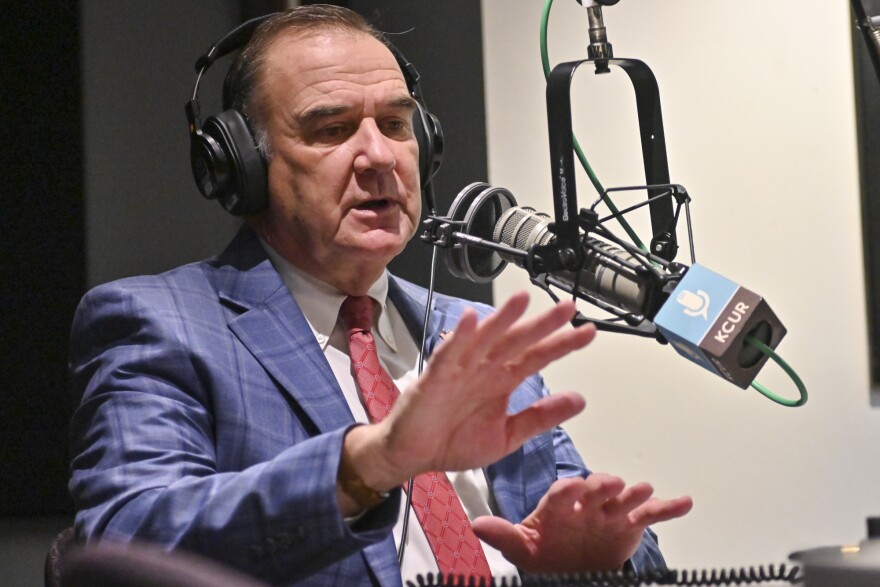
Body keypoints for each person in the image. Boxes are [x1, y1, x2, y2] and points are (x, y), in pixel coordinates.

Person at [68, 5, 692, 586]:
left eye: (396, 125)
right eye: (332, 129)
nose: (379, 157)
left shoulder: (471, 335)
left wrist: (592, 562)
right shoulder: (160, 322)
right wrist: (370, 463)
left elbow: (603, 539)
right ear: (241, 165)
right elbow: (126, 545)